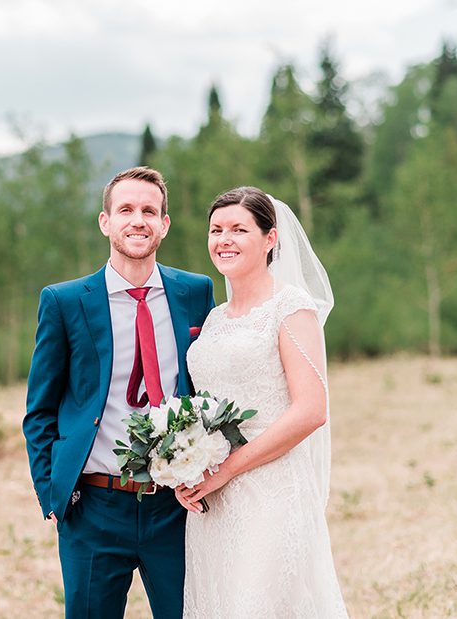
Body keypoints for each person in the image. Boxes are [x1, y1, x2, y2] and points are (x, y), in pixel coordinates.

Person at [24, 166, 215, 618]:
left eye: (150, 211)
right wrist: (51, 492)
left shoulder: (195, 292)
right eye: (125, 209)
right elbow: (39, 410)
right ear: (105, 222)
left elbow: (208, 384)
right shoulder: (65, 301)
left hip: (176, 506)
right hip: (93, 505)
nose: (138, 220)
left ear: (164, 225)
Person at [175, 187, 346, 616]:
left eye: (238, 229)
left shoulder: (290, 307)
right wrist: (184, 465)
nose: (224, 239)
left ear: (270, 239)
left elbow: (311, 410)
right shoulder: (214, 318)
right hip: (213, 503)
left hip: (270, 491)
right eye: (216, 230)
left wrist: (228, 469)